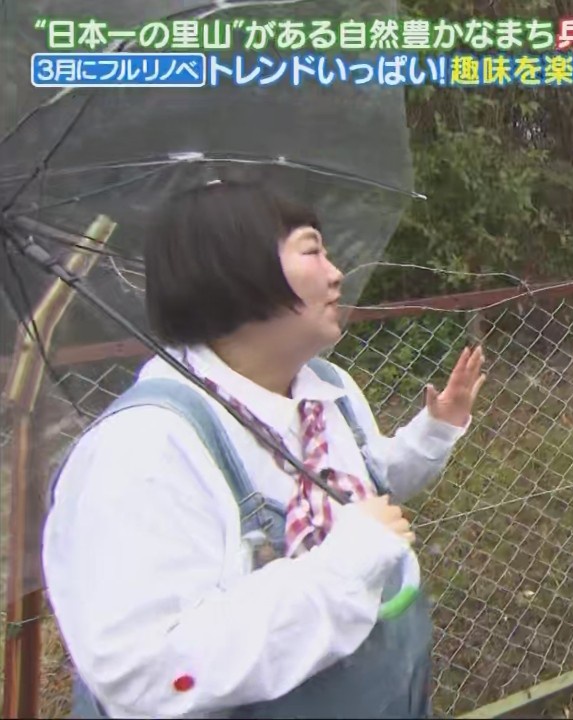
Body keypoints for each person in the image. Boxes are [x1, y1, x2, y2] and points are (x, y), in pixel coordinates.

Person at [42, 179, 486, 719]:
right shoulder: (143, 451)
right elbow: (150, 675)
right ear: (234, 268)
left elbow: (372, 490)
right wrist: (347, 566)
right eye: (312, 250)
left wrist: (436, 430)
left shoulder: (328, 388)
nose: (336, 273)